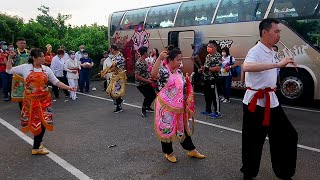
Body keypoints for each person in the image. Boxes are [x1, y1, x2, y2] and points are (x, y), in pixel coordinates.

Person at [241, 18, 298, 180]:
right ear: (264, 32)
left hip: (272, 100)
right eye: (276, 31)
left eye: (279, 32)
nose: (279, 34)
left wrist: (282, 64)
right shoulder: (255, 51)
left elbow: (269, 72)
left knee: (288, 135)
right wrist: (277, 65)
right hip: (255, 102)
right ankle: (248, 173)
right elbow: (247, 67)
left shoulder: (272, 51)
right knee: (253, 140)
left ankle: (284, 172)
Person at [6, 48, 76, 155]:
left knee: (45, 122)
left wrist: (68, 87)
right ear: (34, 58)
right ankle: (37, 146)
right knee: (36, 123)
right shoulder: (25, 68)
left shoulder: (46, 69)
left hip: (45, 101)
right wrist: (10, 58)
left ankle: (37, 144)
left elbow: (56, 82)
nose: (44, 58)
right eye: (41, 56)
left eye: (44, 56)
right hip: (31, 102)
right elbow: (9, 70)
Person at [151, 48, 205, 163]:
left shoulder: (179, 72)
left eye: (181, 59)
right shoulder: (164, 71)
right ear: (170, 60)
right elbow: (153, 74)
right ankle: (168, 152)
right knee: (167, 129)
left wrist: (187, 98)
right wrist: (159, 58)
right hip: (166, 107)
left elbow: (183, 88)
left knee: (183, 128)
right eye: (178, 60)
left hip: (179, 106)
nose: (180, 62)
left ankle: (191, 149)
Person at [199, 40, 222, 119]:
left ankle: (217, 112)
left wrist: (207, 68)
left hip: (214, 79)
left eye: (210, 47)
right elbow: (206, 67)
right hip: (206, 78)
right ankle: (208, 110)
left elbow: (218, 68)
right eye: (208, 46)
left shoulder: (217, 55)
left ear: (215, 47)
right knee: (207, 95)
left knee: (214, 96)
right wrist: (202, 69)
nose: (208, 48)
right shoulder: (208, 56)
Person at [104, 44, 126, 113]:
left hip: (119, 77)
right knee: (110, 91)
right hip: (114, 76)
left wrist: (107, 70)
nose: (110, 51)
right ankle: (118, 104)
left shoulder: (119, 56)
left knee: (113, 92)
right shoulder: (115, 56)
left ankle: (118, 104)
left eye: (110, 50)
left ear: (113, 49)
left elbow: (115, 67)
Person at [135, 46, 156, 117]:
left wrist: (150, 78)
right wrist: (147, 80)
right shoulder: (139, 63)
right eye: (147, 52)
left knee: (153, 95)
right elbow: (137, 76)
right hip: (141, 84)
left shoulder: (145, 61)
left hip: (147, 82)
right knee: (147, 96)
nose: (149, 53)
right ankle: (143, 109)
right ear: (144, 53)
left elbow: (146, 72)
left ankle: (148, 106)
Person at [11, 37, 29, 109]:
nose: (23, 45)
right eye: (21, 43)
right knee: (20, 93)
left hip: (28, 75)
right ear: (17, 44)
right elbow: (10, 64)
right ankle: (22, 109)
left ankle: (29, 107)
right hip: (18, 76)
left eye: (24, 43)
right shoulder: (13, 53)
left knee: (29, 91)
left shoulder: (29, 52)